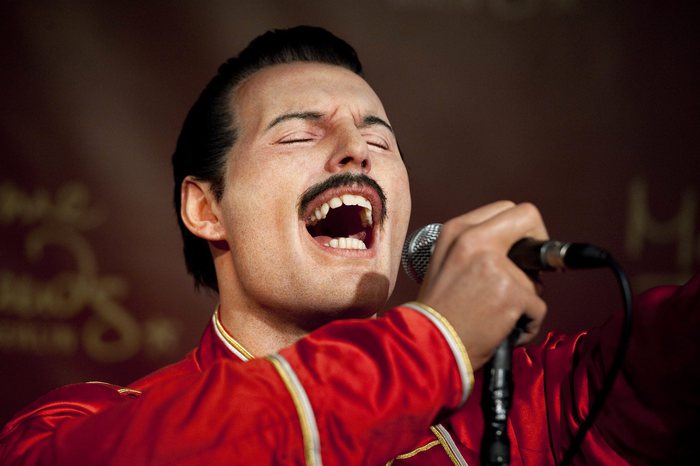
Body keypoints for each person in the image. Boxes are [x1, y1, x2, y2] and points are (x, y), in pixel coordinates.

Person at [0, 26, 696, 465]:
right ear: (206, 208)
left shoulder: (522, 408)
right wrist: (435, 341)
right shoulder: (78, 426)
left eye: (379, 139)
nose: (356, 150)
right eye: (300, 134)